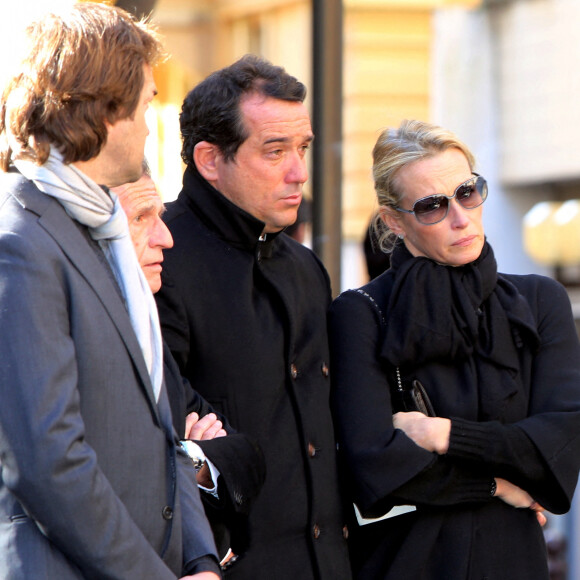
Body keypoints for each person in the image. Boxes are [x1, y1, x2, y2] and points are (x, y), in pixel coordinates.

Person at [0, 5, 219, 579]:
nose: (150, 123)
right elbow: (49, 463)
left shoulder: (101, 229)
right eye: (146, 102)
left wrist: (198, 559)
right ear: (107, 107)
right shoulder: (21, 239)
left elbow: (162, 432)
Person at [328, 119, 580, 580]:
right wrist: (499, 483)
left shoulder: (539, 301)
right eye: (432, 207)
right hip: (405, 563)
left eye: (467, 193)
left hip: (512, 563)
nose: (461, 218)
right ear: (393, 220)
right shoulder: (361, 313)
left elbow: (559, 450)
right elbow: (375, 468)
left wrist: (444, 435)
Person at [154, 54, 351, 579]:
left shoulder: (306, 268)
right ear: (210, 159)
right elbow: (156, 432)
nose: (299, 172)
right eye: (275, 150)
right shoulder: (158, 260)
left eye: (302, 148)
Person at [111, 170, 266, 566]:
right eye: (141, 217)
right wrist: (190, 456)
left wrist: (187, 455)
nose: (166, 237)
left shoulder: (145, 338)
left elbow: (245, 457)